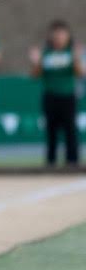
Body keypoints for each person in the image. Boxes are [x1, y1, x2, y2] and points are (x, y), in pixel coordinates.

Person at [29, 20, 83, 168]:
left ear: (67, 36)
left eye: (62, 34)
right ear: (51, 36)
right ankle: (50, 163)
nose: (59, 37)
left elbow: (80, 73)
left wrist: (77, 59)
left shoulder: (72, 52)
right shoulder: (46, 53)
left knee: (70, 130)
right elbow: (34, 75)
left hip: (68, 95)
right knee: (51, 131)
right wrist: (36, 61)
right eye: (56, 34)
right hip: (50, 96)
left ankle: (72, 162)